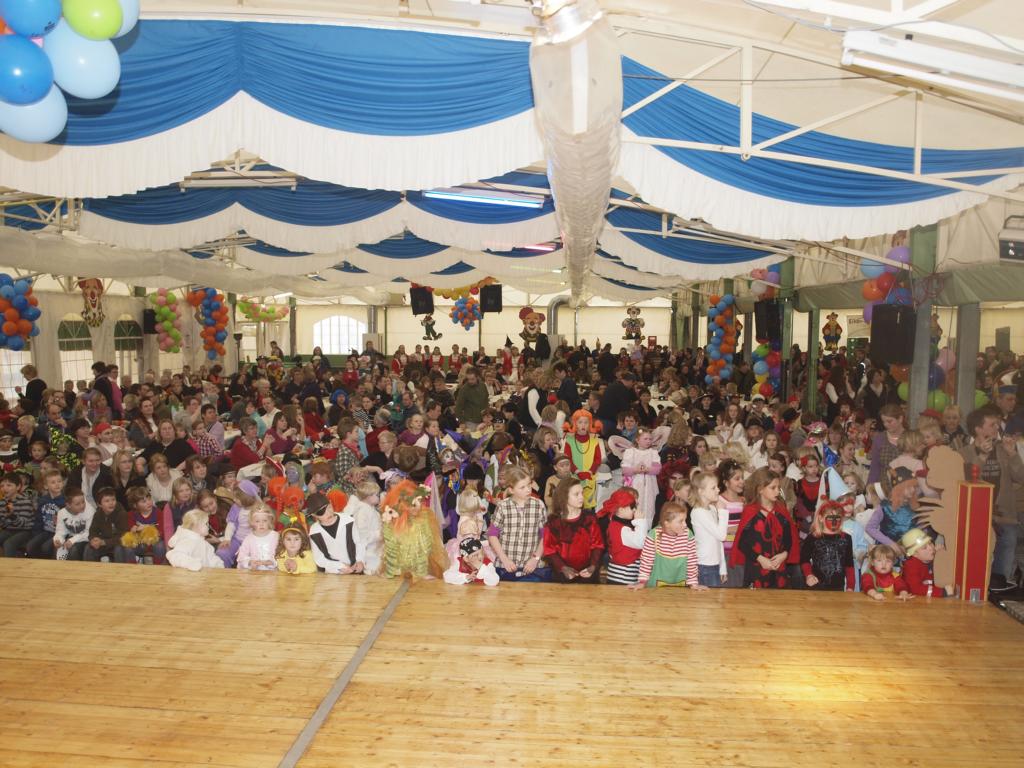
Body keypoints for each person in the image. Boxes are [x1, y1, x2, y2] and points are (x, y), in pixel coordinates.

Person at [959, 405, 1024, 591]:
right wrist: (982, 456)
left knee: (1007, 544)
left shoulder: (1004, 450)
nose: (997, 428)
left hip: (1003, 512)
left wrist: (1013, 454)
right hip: (976, 514)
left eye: (997, 424)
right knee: (978, 551)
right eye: (992, 425)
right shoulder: (964, 452)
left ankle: (999, 584)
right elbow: (967, 479)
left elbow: (1021, 477)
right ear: (979, 429)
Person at [730, 468, 799, 589]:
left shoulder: (781, 511)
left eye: (778, 488)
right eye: (773, 488)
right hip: (756, 568)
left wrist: (784, 554)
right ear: (760, 489)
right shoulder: (750, 512)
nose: (777, 491)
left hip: (778, 568)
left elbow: (789, 538)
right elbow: (742, 543)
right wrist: (761, 559)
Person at [487, 466, 549, 581]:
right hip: (505, 567)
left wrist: (535, 558)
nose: (528, 490)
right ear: (511, 490)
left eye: (529, 485)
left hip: (532, 567)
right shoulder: (503, 506)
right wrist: (504, 559)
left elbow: (545, 535)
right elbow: (492, 535)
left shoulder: (539, 505)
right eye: (522, 487)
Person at [629, 501, 703, 589]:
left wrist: (693, 584)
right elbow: (646, 561)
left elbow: (692, 561)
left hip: (681, 590)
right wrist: (642, 582)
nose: (685, 524)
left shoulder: (688, 535)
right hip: (655, 590)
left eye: (685, 520)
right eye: (680, 521)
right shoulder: (653, 535)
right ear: (667, 523)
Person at [543, 478, 604, 584]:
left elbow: (598, 545)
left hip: (587, 574)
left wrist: (593, 566)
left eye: (582, 493)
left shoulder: (590, 518)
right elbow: (549, 550)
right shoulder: (553, 522)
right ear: (564, 496)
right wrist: (563, 568)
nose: (581, 497)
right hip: (562, 576)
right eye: (576, 494)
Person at [307, 492, 366, 575]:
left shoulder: (348, 521)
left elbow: (359, 543)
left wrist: (360, 560)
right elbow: (319, 558)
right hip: (333, 574)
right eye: (321, 512)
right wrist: (339, 566)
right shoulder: (314, 532)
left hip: (355, 569)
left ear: (331, 503)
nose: (328, 513)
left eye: (329, 507)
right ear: (314, 515)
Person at [600, 488, 648, 585]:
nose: (635, 509)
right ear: (621, 509)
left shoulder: (616, 525)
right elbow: (641, 542)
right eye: (632, 507)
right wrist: (640, 521)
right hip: (623, 577)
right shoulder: (621, 528)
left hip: (623, 575)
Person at [690, 470, 728, 588]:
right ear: (701, 491)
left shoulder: (711, 509)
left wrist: (722, 567)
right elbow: (722, 536)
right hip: (704, 565)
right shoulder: (698, 512)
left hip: (714, 564)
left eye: (717, 487)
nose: (718, 490)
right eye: (713, 488)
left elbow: (718, 541)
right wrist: (723, 512)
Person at [900, 527, 955, 598]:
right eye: (924, 548)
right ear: (914, 554)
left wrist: (941, 556)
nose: (931, 548)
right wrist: (942, 592)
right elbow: (916, 589)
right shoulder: (911, 566)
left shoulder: (927, 558)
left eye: (930, 543)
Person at [27, 468, 64, 559]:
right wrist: (36, 534)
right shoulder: (43, 500)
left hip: (59, 533)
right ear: (46, 486)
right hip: (46, 531)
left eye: (59, 481)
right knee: (30, 546)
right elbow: (39, 519)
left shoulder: (65, 501)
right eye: (53, 482)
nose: (57, 484)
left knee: (46, 548)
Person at [84, 487, 128, 563]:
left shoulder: (121, 514)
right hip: (103, 543)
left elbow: (123, 536)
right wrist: (93, 539)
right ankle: (89, 569)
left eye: (113, 500)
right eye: (107, 501)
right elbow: (93, 531)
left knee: (119, 549)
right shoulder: (98, 514)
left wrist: (104, 542)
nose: (111, 503)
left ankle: (119, 569)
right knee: (89, 548)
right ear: (99, 504)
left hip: (117, 543)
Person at [0, 471, 35, 557]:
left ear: (18, 487)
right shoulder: (2, 502)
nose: (5, 488)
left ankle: (10, 565)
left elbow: (23, 524)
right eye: (2, 486)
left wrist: (12, 515)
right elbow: (3, 524)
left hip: (25, 531)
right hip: (9, 529)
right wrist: (4, 518)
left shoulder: (25, 501)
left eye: (9, 485)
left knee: (9, 544)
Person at [53, 487, 93, 561]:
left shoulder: (90, 511)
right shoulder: (61, 513)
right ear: (68, 505)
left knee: (74, 550)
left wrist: (72, 540)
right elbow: (61, 531)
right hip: (71, 537)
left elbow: (89, 533)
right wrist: (58, 540)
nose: (82, 505)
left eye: (83, 502)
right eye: (77, 504)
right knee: (54, 549)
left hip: (86, 539)